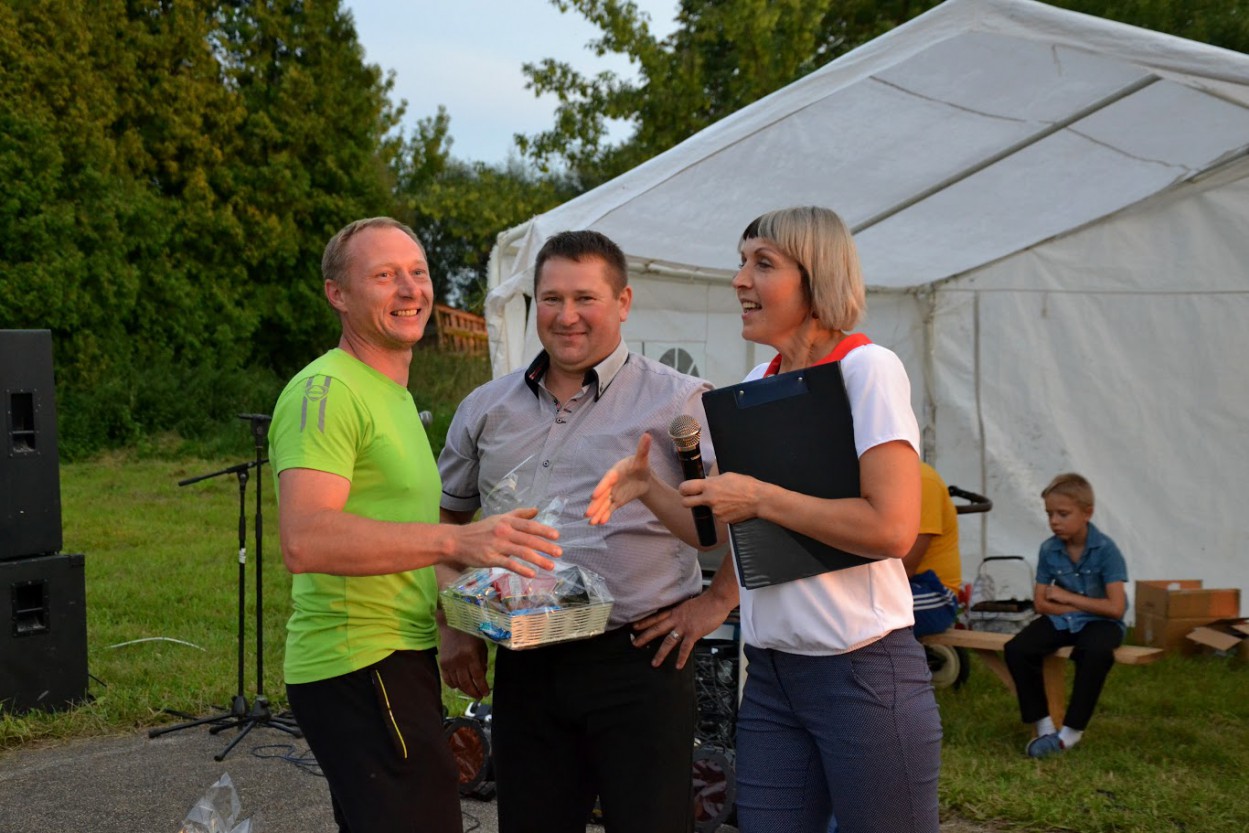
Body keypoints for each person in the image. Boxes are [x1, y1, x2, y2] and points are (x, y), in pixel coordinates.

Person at [588, 206, 941, 833]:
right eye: (741, 262)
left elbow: (892, 530)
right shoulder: (758, 380)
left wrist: (761, 498)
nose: (739, 280)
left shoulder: (868, 368)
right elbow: (725, 529)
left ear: (816, 277)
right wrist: (649, 489)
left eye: (763, 264)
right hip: (774, 676)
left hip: (863, 671)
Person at [268, 217, 563, 833]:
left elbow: (397, 536)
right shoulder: (326, 390)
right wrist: (458, 539)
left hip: (397, 656)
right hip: (358, 661)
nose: (410, 290)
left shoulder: (392, 393)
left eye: (418, 273)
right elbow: (305, 538)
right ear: (337, 294)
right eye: (384, 275)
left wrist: (471, 614)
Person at [436, 229, 718, 833]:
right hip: (526, 662)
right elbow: (444, 523)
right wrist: (452, 624)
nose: (567, 316)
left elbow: (722, 529)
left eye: (585, 298)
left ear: (623, 302)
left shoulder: (681, 403)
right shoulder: (486, 407)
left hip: (639, 661)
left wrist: (713, 605)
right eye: (552, 299)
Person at [1004, 472, 1127, 759]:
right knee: (1018, 649)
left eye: (1063, 514)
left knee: (1095, 652)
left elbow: (1115, 608)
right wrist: (1082, 606)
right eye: (1049, 514)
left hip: (1103, 623)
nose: (1054, 521)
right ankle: (1045, 727)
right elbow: (1041, 604)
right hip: (1064, 619)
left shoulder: (1106, 550)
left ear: (1087, 513)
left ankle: (1071, 732)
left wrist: (1067, 597)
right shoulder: (1049, 549)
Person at [905, 462, 962, 637]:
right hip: (897, 586)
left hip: (934, 592)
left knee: (853, 611)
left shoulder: (921, 480)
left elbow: (906, 567)